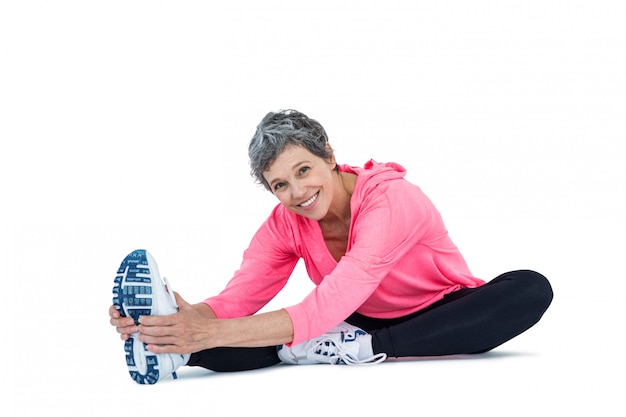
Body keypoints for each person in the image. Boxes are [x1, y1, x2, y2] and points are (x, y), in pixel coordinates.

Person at [109, 109, 553, 384]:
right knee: (257, 332)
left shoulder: (389, 199)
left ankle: (363, 347)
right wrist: (184, 321)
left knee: (529, 288)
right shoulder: (285, 223)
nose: (297, 192)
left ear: (328, 153)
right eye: (280, 184)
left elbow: (329, 302)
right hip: (350, 319)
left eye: (304, 170)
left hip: (440, 311)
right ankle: (170, 347)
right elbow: (241, 296)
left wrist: (214, 330)